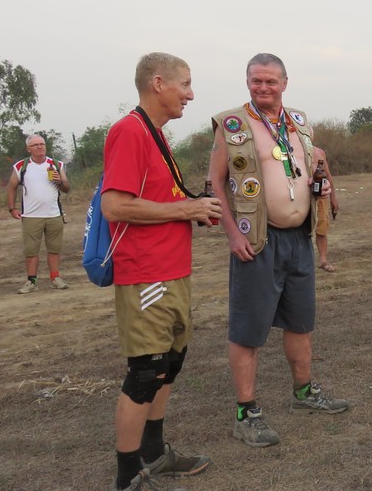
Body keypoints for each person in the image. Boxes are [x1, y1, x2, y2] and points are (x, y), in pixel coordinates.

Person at [208, 53, 350, 450]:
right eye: (256, 80)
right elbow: (215, 183)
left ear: (285, 83)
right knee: (248, 329)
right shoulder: (232, 123)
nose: (263, 87)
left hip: (299, 239)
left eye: (271, 81)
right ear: (247, 82)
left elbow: (307, 169)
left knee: (301, 322)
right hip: (257, 240)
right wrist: (232, 234)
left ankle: (304, 393)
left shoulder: (299, 122)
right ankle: (246, 413)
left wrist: (322, 185)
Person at [103, 52, 221, 490]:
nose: (190, 94)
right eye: (184, 84)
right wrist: (186, 209)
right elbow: (115, 205)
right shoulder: (129, 131)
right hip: (145, 275)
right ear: (158, 83)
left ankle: (154, 455)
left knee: (170, 362)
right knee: (146, 371)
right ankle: (127, 475)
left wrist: (193, 208)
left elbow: (157, 199)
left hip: (172, 271)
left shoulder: (155, 134)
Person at [5, 134, 71, 293]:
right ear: (29, 149)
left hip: (54, 214)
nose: (40, 147)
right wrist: (12, 208)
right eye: (35, 145)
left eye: (42, 144)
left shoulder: (56, 164)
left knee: (54, 248)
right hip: (31, 216)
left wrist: (59, 181)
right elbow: (11, 187)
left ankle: (55, 278)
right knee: (31, 250)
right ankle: (31, 281)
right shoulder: (21, 166)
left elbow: (67, 188)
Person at [313, 146, 340, 272]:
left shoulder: (319, 152)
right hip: (303, 196)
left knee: (322, 228)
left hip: (322, 196)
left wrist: (333, 197)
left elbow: (328, 175)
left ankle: (323, 260)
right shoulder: (294, 149)